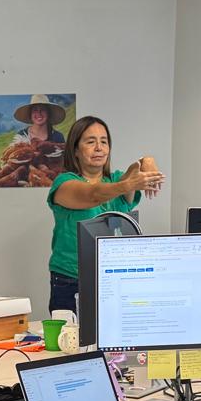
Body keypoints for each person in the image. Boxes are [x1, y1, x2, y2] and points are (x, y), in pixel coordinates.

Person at [46, 116, 164, 314]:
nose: (99, 148)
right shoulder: (64, 184)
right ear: (75, 150)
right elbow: (93, 195)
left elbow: (132, 171)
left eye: (104, 141)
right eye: (90, 142)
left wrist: (147, 161)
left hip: (114, 279)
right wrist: (128, 185)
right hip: (71, 281)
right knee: (72, 334)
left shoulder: (116, 180)